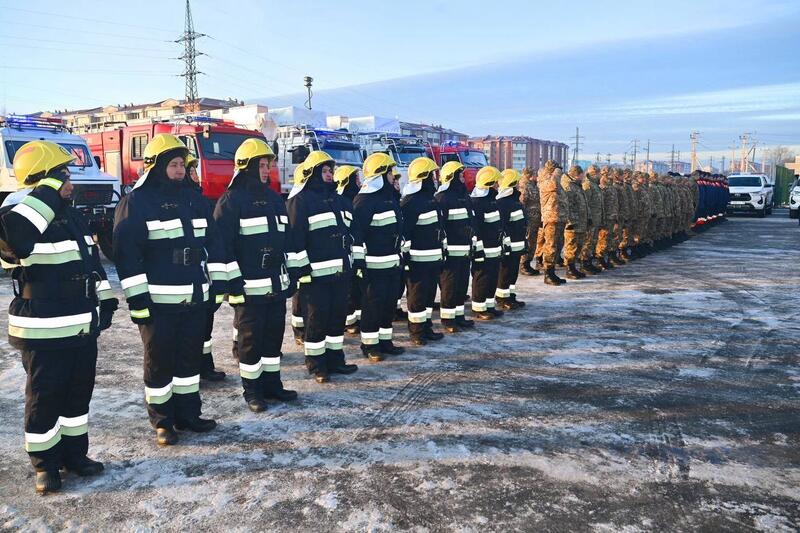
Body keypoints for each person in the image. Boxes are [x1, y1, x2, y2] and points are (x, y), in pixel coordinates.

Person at [0, 140, 118, 493]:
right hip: (43, 329)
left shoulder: (70, 214)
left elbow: (90, 263)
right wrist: (48, 191)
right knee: (45, 398)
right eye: (64, 175)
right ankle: (45, 465)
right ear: (45, 180)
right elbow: (14, 247)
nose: (71, 182)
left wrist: (105, 299)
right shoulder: (18, 213)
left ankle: (73, 455)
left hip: (80, 325)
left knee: (77, 397)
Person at [114, 134, 224, 446]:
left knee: (189, 361)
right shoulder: (136, 203)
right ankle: (163, 421)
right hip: (159, 303)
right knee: (160, 362)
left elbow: (214, 243)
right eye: (173, 164)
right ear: (156, 167)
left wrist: (217, 285)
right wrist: (138, 300)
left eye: (182, 164)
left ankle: (189, 414)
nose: (179, 170)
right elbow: (127, 255)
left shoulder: (195, 200)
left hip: (194, 298)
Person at [213, 138, 297, 413]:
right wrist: (233, 285)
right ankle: (252, 390)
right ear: (246, 167)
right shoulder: (231, 201)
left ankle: (272, 384)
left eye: (268, 165)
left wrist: (292, 273)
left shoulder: (273, 198)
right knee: (250, 341)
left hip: (275, 284)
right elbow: (222, 249)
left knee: (273, 338)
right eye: (261, 165)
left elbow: (287, 240)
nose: (266, 170)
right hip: (249, 288)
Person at [286, 151, 359, 383]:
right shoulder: (301, 201)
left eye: (331, 171)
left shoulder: (339, 201)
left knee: (336, 319)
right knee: (316, 322)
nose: (329, 175)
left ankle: (336, 360)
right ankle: (317, 364)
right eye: (325, 171)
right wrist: (302, 272)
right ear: (313, 173)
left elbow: (351, 235)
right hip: (315, 277)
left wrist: (352, 265)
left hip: (340, 274)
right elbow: (296, 240)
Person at [352, 153, 406, 359]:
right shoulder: (364, 201)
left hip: (392, 264)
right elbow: (357, 235)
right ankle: (370, 346)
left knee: (388, 304)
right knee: (373, 307)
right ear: (381, 174)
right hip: (373, 267)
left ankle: (385, 341)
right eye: (390, 172)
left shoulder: (389, 198)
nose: (394, 176)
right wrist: (359, 266)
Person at [184, 155, 226, 382]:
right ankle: (191, 370)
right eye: (193, 172)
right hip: (188, 277)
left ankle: (204, 366)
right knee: (190, 331)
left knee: (205, 326)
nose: (196, 176)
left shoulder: (199, 200)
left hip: (204, 275)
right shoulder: (184, 201)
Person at [400, 157, 446, 345]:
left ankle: (426, 327)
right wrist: (408, 260)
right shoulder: (410, 203)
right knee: (417, 297)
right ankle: (416, 331)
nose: (435, 179)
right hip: (417, 262)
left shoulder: (430, 200)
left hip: (432, 259)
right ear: (423, 177)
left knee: (428, 296)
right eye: (432, 175)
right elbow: (405, 234)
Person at [434, 161, 478, 332]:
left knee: (461, 285)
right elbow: (440, 226)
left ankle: (459, 316)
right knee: (449, 287)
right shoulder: (442, 198)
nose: (462, 178)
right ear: (450, 178)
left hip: (464, 250)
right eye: (458, 176)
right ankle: (448, 319)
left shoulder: (464, 196)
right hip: (451, 252)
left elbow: (471, 218)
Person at [470, 166, 505, 318]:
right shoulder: (477, 203)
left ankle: (489, 305)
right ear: (489, 183)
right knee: (482, 278)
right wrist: (478, 251)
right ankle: (479, 308)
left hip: (494, 249)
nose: (498, 185)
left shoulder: (492, 201)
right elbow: (476, 230)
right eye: (495, 183)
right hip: (484, 250)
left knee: (492, 278)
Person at [334, 165, 363, 337]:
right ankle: (349, 322)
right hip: (343, 255)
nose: (359, 183)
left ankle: (354, 320)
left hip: (353, 254)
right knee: (349, 292)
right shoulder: (340, 202)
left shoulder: (355, 200)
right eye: (356, 180)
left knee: (355, 290)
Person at [495, 169, 527, 309]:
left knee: (513, 273)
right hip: (509, 247)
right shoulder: (502, 203)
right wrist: (506, 246)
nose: (519, 185)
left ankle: (511, 296)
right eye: (517, 182)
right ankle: (502, 298)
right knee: (505, 272)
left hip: (517, 245)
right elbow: (503, 227)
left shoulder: (515, 201)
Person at [537, 161, 568, 285]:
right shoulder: (546, 181)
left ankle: (552, 272)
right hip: (551, 219)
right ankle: (548, 274)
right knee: (551, 246)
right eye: (556, 170)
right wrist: (557, 173)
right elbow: (553, 184)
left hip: (559, 218)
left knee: (558, 245)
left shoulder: (556, 182)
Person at [561, 165, 589, 279]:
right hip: (573, 223)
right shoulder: (568, 186)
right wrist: (569, 221)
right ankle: (569, 269)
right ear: (577, 175)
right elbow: (567, 206)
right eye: (582, 174)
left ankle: (573, 268)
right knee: (571, 246)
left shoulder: (577, 186)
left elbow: (583, 204)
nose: (584, 177)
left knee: (578, 245)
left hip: (581, 221)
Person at [580, 164, 604, 274]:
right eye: (599, 173)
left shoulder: (595, 185)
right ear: (594, 174)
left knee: (593, 242)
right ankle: (584, 263)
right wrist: (588, 218)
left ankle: (589, 262)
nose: (600, 176)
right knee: (588, 242)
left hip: (596, 219)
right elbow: (585, 203)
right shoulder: (588, 185)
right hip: (590, 219)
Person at [518, 168, 541, 276]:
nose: (537, 176)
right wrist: (524, 220)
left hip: (535, 220)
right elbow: (522, 204)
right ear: (531, 175)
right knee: (528, 242)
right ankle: (524, 265)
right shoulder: (525, 187)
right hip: (529, 221)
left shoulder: (532, 185)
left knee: (532, 242)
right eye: (536, 174)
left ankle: (527, 263)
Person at [596, 166, 619, 270]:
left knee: (609, 238)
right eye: (611, 173)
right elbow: (601, 203)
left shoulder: (611, 185)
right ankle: (600, 260)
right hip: (606, 217)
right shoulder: (603, 185)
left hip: (612, 216)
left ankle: (606, 258)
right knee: (603, 239)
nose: (613, 174)